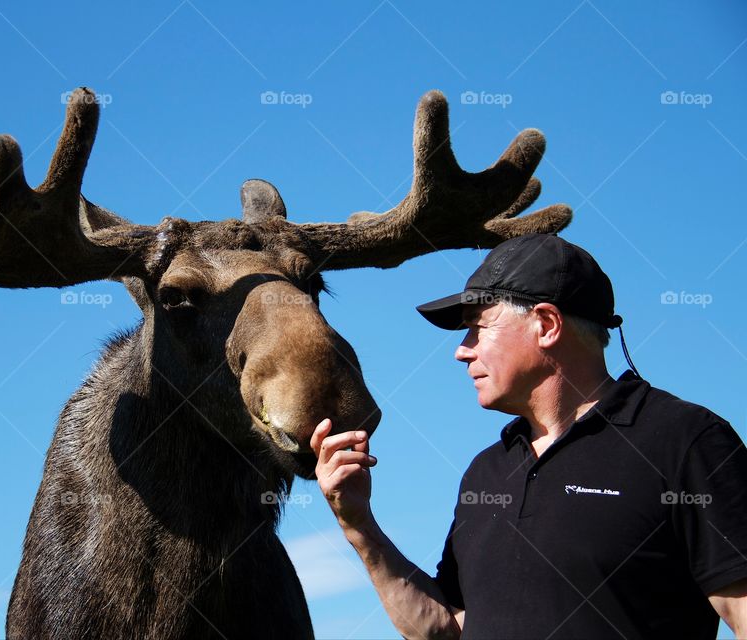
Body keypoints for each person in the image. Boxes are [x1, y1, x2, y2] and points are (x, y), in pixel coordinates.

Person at [311, 233, 747, 639]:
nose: (461, 350)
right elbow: (446, 627)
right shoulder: (486, 472)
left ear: (546, 324)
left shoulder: (685, 441)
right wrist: (359, 525)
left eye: (477, 327)